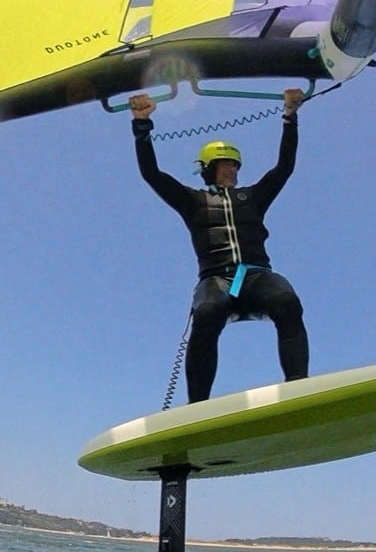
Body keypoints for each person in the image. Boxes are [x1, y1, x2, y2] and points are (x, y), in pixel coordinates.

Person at [130, 89, 310, 402]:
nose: (232, 170)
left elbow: (285, 167)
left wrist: (290, 118)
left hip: (256, 275)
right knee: (207, 313)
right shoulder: (192, 200)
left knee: (287, 302)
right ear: (208, 169)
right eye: (224, 164)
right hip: (216, 280)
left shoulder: (253, 197)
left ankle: (298, 388)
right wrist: (141, 124)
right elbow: (152, 174)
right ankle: (197, 405)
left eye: (235, 166)